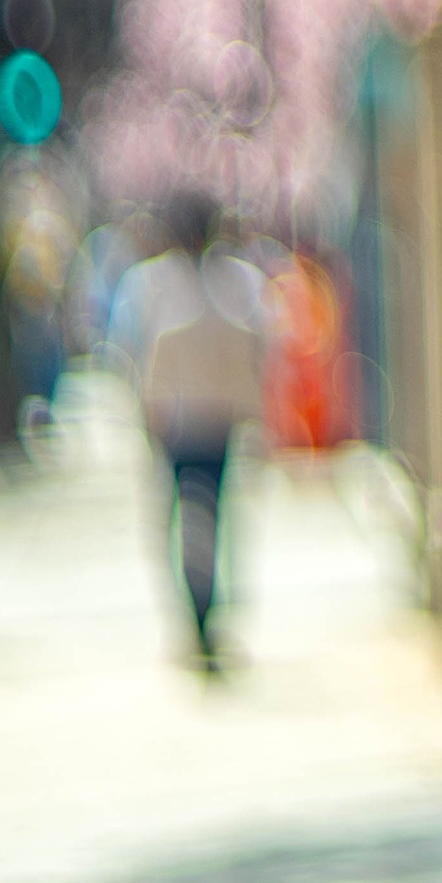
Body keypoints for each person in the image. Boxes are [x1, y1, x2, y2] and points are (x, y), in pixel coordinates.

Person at [111, 195, 269, 673]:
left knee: (204, 521)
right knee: (198, 520)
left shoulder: (228, 283)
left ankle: (204, 611)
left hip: (199, 423)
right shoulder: (171, 284)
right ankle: (199, 611)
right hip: (188, 424)